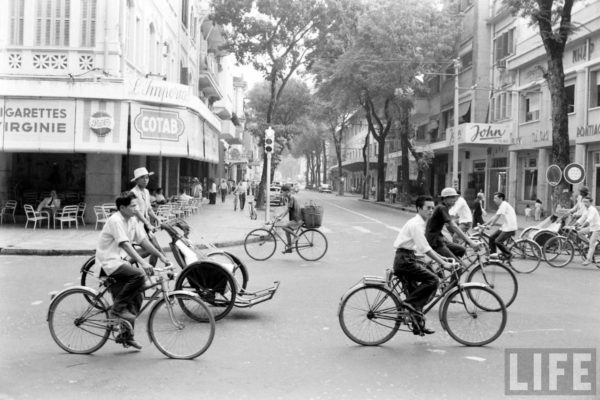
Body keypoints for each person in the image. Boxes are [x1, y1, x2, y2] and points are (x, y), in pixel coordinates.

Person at [95, 192, 170, 350]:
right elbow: (125, 245)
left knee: (138, 293)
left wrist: (161, 256)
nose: (136, 209)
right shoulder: (116, 220)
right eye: (133, 206)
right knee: (139, 275)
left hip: (120, 261)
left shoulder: (133, 220)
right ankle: (116, 310)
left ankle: (127, 336)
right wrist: (143, 263)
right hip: (108, 262)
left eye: (137, 205)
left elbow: (143, 241)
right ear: (122, 208)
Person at [393, 195, 453, 335]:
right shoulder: (416, 224)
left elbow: (424, 247)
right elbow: (425, 248)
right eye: (428, 208)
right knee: (433, 280)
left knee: (417, 292)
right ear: (419, 208)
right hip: (405, 261)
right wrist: (443, 262)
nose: (431, 211)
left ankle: (417, 325)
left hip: (408, 258)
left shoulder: (420, 222)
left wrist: (442, 259)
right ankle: (409, 304)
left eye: (432, 208)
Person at [425, 187, 480, 261]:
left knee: (462, 250)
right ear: (445, 198)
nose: (455, 199)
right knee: (457, 266)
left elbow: (451, 221)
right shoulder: (441, 208)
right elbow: (453, 225)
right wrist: (470, 242)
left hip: (441, 239)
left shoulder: (443, 208)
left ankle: (450, 264)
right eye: (452, 197)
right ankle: (453, 266)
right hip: (435, 242)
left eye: (455, 197)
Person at [130, 167, 163, 267]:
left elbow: (148, 209)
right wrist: (147, 224)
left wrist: (157, 218)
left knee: (157, 248)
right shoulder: (133, 193)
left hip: (145, 225)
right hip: (137, 225)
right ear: (136, 180)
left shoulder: (146, 192)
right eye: (142, 178)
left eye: (147, 177)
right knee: (151, 250)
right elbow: (137, 212)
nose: (145, 180)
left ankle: (151, 271)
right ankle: (127, 262)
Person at [481, 192, 518, 260]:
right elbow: (495, 216)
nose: (493, 200)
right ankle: (493, 255)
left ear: (501, 198)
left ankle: (509, 255)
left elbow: (497, 217)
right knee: (491, 237)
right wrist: (485, 224)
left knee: (498, 241)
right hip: (505, 226)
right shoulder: (502, 205)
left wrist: (491, 225)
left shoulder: (504, 205)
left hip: (510, 227)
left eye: (495, 198)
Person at [275, 184, 303, 253]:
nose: (282, 193)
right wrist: (279, 215)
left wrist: (281, 217)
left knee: (284, 227)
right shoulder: (289, 198)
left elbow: (288, 210)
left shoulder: (292, 198)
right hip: (295, 219)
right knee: (287, 232)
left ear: (287, 191)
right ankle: (290, 248)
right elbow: (287, 209)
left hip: (297, 220)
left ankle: (296, 236)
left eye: (282, 192)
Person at [574, 196, 600, 265]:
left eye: (587, 202)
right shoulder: (586, 209)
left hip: (597, 228)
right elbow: (583, 217)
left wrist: (581, 226)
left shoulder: (592, 209)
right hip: (591, 227)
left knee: (592, 244)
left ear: (591, 202)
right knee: (580, 233)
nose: (585, 203)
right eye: (584, 202)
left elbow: (589, 220)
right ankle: (589, 244)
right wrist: (576, 223)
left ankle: (589, 259)